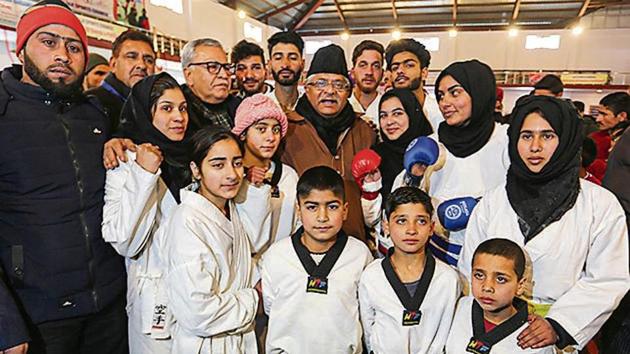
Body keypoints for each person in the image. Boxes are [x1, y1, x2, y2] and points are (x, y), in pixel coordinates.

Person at [0, 1, 127, 353]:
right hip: (38, 314)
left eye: (73, 47)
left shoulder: (95, 115)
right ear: (22, 47)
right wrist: (5, 325)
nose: (62, 55)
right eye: (48, 42)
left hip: (110, 307)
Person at [459, 95, 629, 352]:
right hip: (494, 330)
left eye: (547, 136)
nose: (535, 146)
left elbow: (608, 279)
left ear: (567, 139)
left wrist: (559, 324)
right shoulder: (493, 202)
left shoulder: (599, 205)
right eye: (526, 136)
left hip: (558, 336)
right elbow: (469, 267)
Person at [101, 72, 190, 354]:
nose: (179, 117)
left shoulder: (192, 157)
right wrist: (144, 174)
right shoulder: (124, 161)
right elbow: (124, 242)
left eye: (183, 108)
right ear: (144, 112)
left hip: (197, 297)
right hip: (156, 303)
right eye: (166, 108)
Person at [398, 59, 509, 266]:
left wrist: (479, 207)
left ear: (478, 92)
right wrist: (413, 177)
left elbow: (525, 193)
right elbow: (403, 200)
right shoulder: (431, 144)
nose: (444, 102)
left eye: (454, 93)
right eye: (440, 95)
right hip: (437, 252)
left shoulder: (507, 141)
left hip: (492, 255)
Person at [163, 127, 259, 353]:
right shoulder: (187, 221)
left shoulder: (231, 208)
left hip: (237, 338)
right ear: (196, 170)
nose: (232, 174)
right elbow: (198, 312)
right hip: (205, 345)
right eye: (218, 165)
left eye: (237, 163)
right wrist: (255, 299)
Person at [260, 166, 373, 354]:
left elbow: (367, 314)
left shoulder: (359, 255)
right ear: (298, 209)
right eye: (312, 207)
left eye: (332, 207)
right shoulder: (277, 256)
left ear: (345, 210)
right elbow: (271, 307)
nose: (322, 217)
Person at [280, 44, 377, 243]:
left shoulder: (365, 131)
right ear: (306, 89)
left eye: (339, 85)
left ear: (349, 92)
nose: (330, 91)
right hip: (303, 246)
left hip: (354, 244)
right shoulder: (287, 131)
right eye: (321, 83)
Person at [359, 187, 460, 354]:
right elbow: (369, 333)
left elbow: (447, 332)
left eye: (421, 221)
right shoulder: (371, 276)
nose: (411, 230)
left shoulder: (447, 279)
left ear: (431, 227)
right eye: (401, 221)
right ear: (386, 226)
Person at [447, 239, 555, 353]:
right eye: (479, 275)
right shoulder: (457, 309)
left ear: (520, 285)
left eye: (500, 279)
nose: (487, 287)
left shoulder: (534, 340)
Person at [232, 94, 298, 261]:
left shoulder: (288, 175)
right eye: (261, 129)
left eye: (276, 130)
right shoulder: (232, 176)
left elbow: (298, 224)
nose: (270, 137)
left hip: (282, 267)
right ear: (242, 133)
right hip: (245, 269)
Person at [86, 29, 156, 132]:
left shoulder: (156, 106)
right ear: (113, 64)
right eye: (131, 57)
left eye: (149, 60)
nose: (142, 65)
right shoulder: (91, 104)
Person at [180, 38, 241, 131]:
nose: (224, 75)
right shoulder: (178, 115)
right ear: (189, 75)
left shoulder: (240, 107)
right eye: (212, 67)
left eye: (226, 67)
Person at [385, 38, 442, 131]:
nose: (400, 71)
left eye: (409, 65)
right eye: (395, 67)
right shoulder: (384, 116)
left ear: (424, 73)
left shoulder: (441, 113)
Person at [349, 40, 384, 129]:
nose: (369, 72)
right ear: (352, 72)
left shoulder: (389, 108)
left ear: (382, 73)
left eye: (376, 66)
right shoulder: (342, 107)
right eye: (363, 65)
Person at [266, 31, 305, 112]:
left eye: (293, 58)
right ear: (269, 64)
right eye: (278, 58)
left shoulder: (311, 105)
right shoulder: (260, 106)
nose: (285, 64)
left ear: (302, 64)